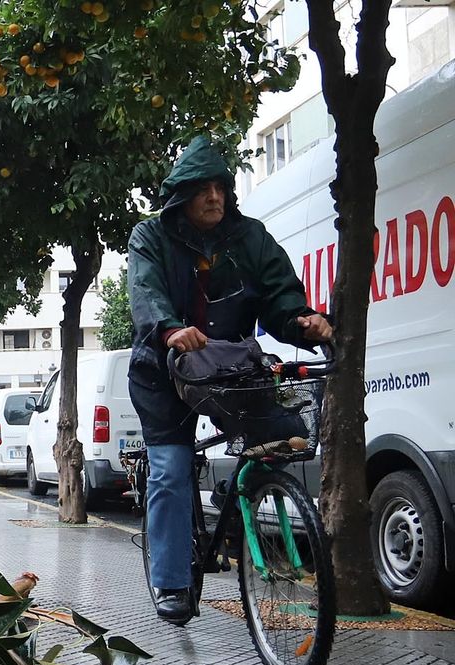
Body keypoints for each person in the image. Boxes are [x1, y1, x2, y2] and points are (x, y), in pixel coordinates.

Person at [127, 136, 333, 625]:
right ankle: (172, 581)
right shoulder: (150, 236)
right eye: (203, 189)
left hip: (229, 369)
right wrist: (170, 329)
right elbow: (146, 292)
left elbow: (280, 295)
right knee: (171, 469)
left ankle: (239, 492)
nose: (214, 197)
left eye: (220, 188)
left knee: (282, 437)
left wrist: (301, 320)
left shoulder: (249, 237)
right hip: (162, 373)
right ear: (182, 195)